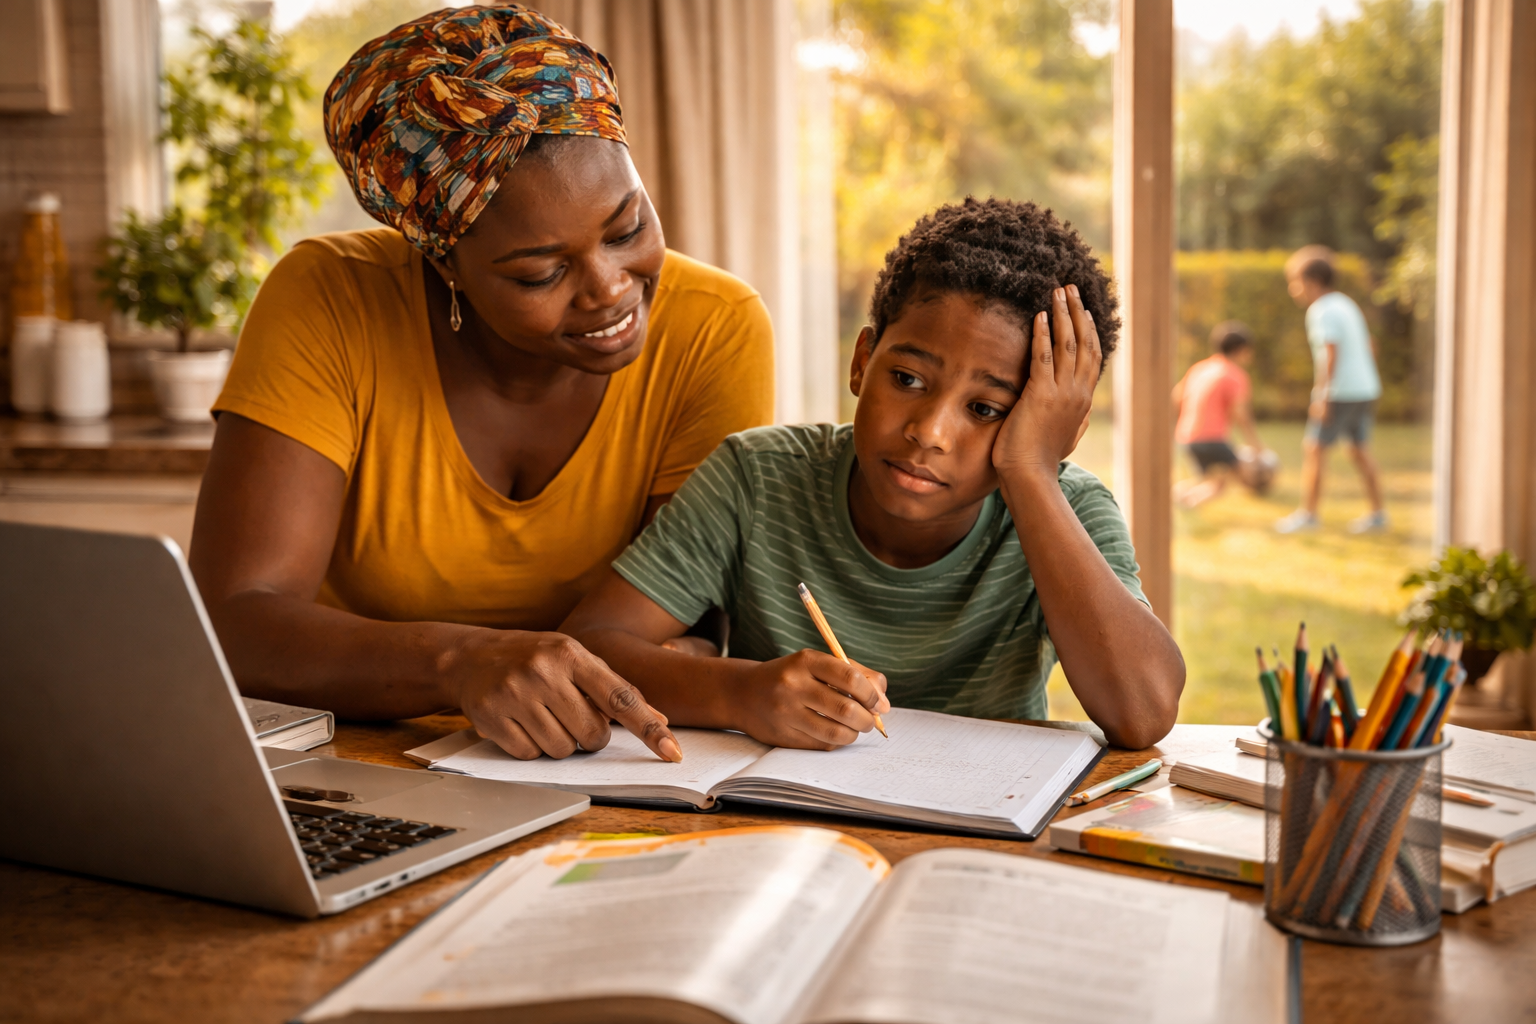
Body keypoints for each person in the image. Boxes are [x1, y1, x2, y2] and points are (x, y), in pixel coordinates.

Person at [188, 5, 779, 764]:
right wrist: (460, 664)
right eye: (542, 272)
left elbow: (687, 627)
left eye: (628, 228)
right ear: (441, 264)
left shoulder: (714, 327)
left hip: (600, 761)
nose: (608, 289)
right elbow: (235, 621)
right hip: (346, 756)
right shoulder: (328, 299)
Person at [563, 199, 1185, 751]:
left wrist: (1032, 472)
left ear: (1051, 429)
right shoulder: (756, 478)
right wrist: (740, 692)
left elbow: (1143, 712)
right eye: (908, 379)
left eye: (986, 410)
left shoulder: (1065, 510)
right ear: (863, 361)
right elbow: (590, 644)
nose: (930, 432)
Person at [1275, 246, 1386, 534]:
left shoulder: (1321, 310)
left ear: (1311, 282)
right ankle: (1378, 515)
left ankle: (1308, 515)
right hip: (1365, 387)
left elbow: (1330, 354)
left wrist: (1322, 395)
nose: (1292, 290)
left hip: (1341, 391)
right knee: (1359, 450)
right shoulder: (1346, 303)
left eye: (1294, 282)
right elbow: (1369, 346)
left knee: (1314, 449)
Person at [1172, 321, 1264, 508]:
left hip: (1187, 437)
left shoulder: (1199, 368)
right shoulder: (1235, 375)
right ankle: (1187, 503)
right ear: (1240, 350)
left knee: (1207, 480)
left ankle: (1175, 496)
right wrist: (1256, 445)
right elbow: (1241, 414)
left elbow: (1176, 396)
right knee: (1239, 479)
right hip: (1212, 439)